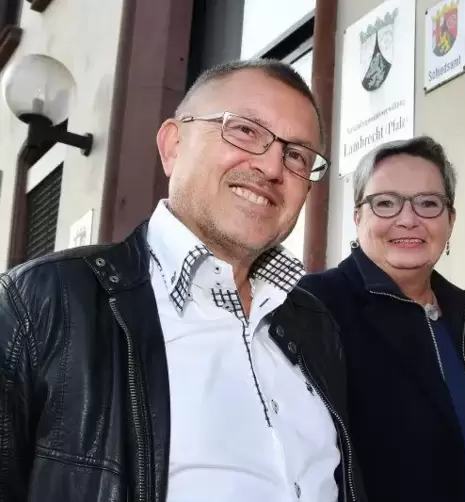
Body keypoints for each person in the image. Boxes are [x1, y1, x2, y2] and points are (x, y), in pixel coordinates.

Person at [0, 59, 366, 502]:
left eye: (297, 155)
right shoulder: (41, 303)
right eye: (245, 130)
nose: (272, 167)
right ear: (173, 145)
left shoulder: (315, 327)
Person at [298, 137, 465, 502]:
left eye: (428, 203)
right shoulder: (315, 308)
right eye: (385, 203)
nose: (408, 219)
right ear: (357, 217)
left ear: (450, 220)